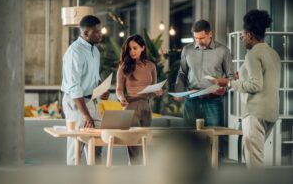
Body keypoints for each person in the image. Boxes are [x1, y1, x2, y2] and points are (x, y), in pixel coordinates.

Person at [213, 10, 281, 168]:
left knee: (254, 162)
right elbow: (266, 80)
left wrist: (228, 83)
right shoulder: (273, 53)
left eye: (243, 35)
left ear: (250, 35)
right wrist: (239, 77)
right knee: (255, 155)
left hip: (255, 113)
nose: (242, 38)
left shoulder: (252, 54)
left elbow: (256, 85)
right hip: (270, 113)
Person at [61, 15, 108, 165]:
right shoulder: (74, 52)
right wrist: (85, 115)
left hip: (92, 101)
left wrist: (102, 89)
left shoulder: (96, 52)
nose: (100, 34)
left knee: (96, 145)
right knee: (76, 147)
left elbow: (94, 78)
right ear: (85, 33)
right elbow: (74, 88)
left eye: (100, 31)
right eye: (97, 32)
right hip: (77, 103)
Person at [174, 19, 234, 127]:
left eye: (201, 38)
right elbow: (182, 73)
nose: (198, 41)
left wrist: (224, 89)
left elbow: (231, 76)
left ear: (210, 34)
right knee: (188, 137)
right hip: (191, 101)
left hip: (213, 101)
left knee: (214, 137)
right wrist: (179, 90)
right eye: (196, 38)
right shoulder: (187, 50)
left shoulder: (223, 51)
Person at [116, 34, 163, 164]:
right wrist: (121, 98)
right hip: (131, 106)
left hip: (146, 107)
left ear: (142, 47)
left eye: (135, 48)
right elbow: (119, 89)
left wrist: (157, 92)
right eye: (129, 49)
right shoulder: (123, 66)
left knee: (144, 142)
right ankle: (134, 173)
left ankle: (142, 174)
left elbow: (153, 88)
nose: (131, 51)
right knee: (133, 144)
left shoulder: (151, 66)